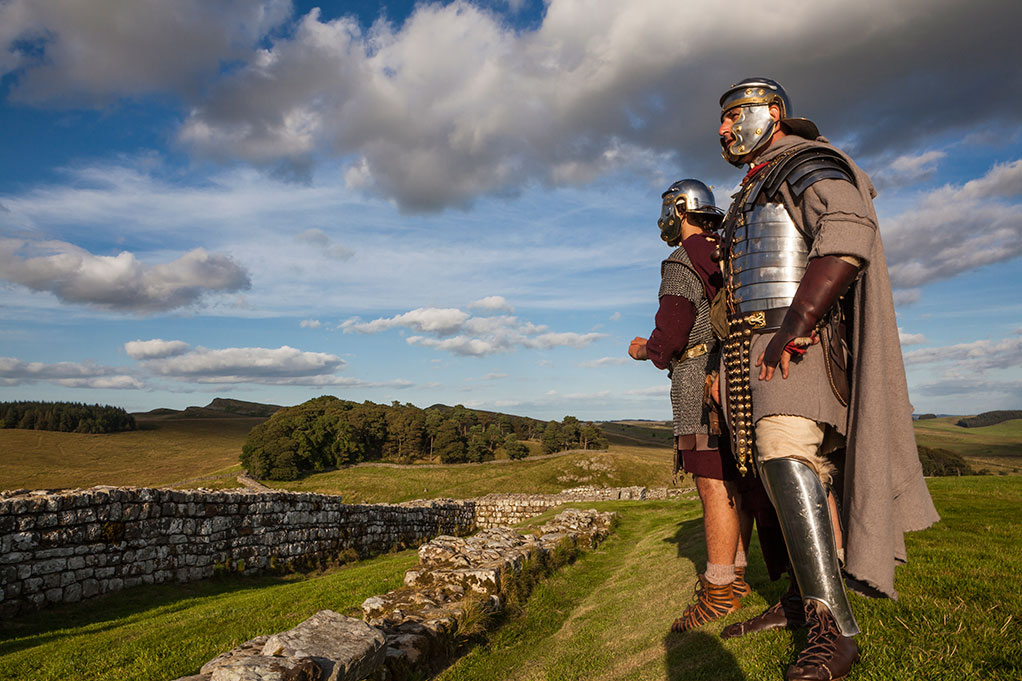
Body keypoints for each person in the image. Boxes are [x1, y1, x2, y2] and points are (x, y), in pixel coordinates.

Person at [711, 77, 940, 680]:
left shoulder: (807, 162)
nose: (724, 128)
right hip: (755, 346)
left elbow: (845, 226)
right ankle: (795, 603)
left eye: (736, 114)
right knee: (769, 465)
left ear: (774, 113)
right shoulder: (759, 182)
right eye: (723, 117)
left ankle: (832, 628)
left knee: (787, 454)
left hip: (796, 344)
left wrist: (800, 320)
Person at [628, 179, 755, 632]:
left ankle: (719, 591)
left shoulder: (682, 259)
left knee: (712, 482)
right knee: (735, 480)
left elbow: (674, 333)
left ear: (679, 210)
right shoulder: (727, 251)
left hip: (700, 380)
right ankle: (738, 578)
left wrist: (645, 350)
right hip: (735, 375)